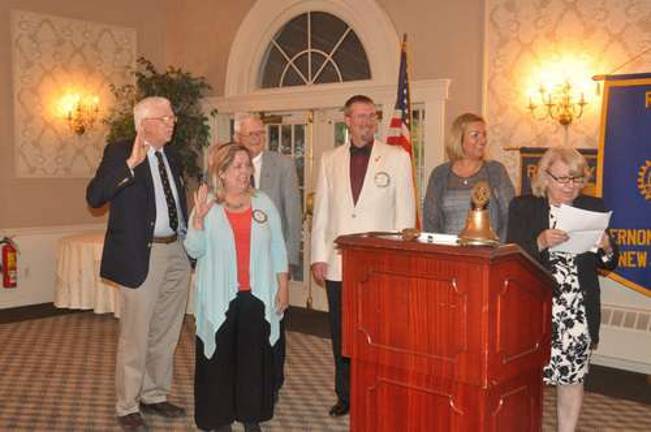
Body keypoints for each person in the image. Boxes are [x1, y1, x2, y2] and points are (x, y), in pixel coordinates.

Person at [86, 96, 191, 432]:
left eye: (172, 116)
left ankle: (155, 394)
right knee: (136, 333)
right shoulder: (119, 151)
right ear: (144, 123)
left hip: (175, 250)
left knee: (167, 330)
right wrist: (130, 165)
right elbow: (95, 196)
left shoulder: (172, 156)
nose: (172, 121)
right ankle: (127, 404)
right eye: (166, 117)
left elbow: (174, 201)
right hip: (142, 255)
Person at [310, 94, 416, 417]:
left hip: (380, 266)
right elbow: (322, 214)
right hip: (339, 263)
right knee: (342, 333)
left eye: (371, 116)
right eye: (360, 116)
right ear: (347, 120)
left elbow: (406, 214)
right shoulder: (329, 159)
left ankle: (377, 390)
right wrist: (318, 255)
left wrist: (399, 260)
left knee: (378, 333)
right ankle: (346, 395)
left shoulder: (397, 157)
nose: (366, 122)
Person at [506, 147, 618, 432]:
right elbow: (511, 258)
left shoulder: (593, 206)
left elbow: (609, 262)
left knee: (572, 378)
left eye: (576, 179)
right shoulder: (524, 207)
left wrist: (606, 247)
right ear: (545, 177)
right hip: (536, 308)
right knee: (529, 381)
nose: (570, 186)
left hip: (576, 309)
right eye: (562, 179)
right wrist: (540, 242)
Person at [185, 143, 289, 432]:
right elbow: (193, 250)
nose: (245, 172)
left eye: (247, 166)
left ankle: (251, 417)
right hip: (220, 297)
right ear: (222, 173)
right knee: (219, 360)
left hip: (256, 296)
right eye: (237, 167)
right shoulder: (209, 207)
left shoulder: (264, 202)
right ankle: (219, 419)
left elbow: (278, 247)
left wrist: (283, 286)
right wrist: (198, 220)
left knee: (253, 362)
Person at [234, 114, 301, 401]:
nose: (257, 138)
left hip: (273, 261)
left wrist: (288, 262)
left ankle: (273, 380)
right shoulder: (230, 165)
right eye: (251, 135)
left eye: (260, 133)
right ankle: (245, 378)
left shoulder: (282, 165)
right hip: (239, 261)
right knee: (244, 324)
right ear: (239, 137)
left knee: (274, 322)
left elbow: (292, 215)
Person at [423, 112, 514, 240]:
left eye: (484, 135)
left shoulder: (496, 171)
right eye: (475, 135)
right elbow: (430, 221)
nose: (483, 140)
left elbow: (510, 216)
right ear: (459, 138)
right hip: (449, 255)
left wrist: (497, 249)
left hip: (488, 255)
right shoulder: (440, 174)